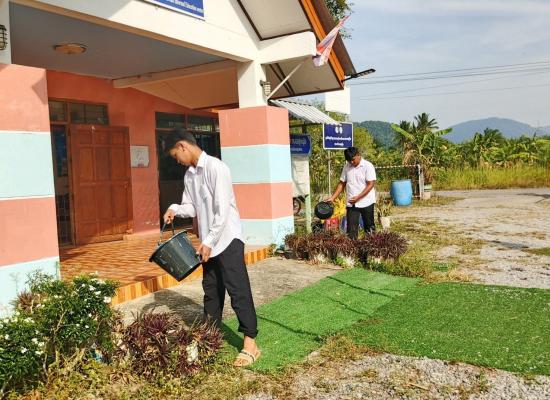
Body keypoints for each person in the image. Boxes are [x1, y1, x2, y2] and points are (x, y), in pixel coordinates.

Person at [162, 130, 260, 367]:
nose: (177, 161)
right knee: (211, 292)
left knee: (238, 290)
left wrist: (209, 241)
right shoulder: (189, 175)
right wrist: (175, 208)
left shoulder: (217, 168)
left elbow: (222, 210)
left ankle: (250, 343)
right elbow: (191, 207)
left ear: (183, 146)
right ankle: (209, 338)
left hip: (227, 239)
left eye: (176, 155)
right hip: (209, 242)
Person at [327, 146, 377, 239]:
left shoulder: (368, 166)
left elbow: (371, 184)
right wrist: (332, 198)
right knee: (351, 231)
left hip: (366, 202)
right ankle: (352, 247)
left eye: (353, 160)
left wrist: (358, 197)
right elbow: (342, 183)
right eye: (349, 160)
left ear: (358, 155)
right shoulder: (347, 167)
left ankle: (370, 246)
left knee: (369, 228)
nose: (351, 162)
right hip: (352, 203)